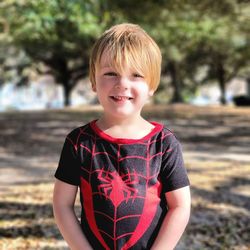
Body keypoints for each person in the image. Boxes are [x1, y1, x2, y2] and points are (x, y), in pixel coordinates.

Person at [53, 23, 191, 250]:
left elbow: (180, 206)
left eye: (136, 75)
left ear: (152, 85)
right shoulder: (79, 142)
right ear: (93, 81)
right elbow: (62, 204)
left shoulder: (164, 143)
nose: (122, 84)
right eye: (110, 73)